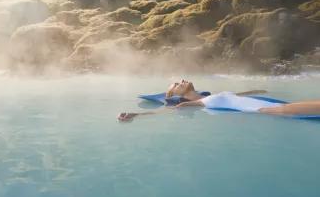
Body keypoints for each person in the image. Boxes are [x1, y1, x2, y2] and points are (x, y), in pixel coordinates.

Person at [118, 80, 320, 122]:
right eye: (177, 84)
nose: (181, 81)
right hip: (267, 110)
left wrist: (257, 89)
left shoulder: (208, 96)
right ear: (176, 94)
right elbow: (165, 111)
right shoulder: (194, 103)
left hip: (268, 105)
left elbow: (238, 96)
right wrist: (136, 115)